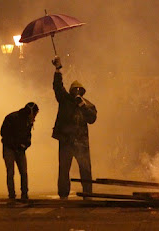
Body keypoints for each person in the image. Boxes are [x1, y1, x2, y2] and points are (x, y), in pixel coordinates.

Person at [52, 56, 97, 199]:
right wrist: (58, 70)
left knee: (85, 169)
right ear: (71, 91)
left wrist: (82, 106)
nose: (77, 92)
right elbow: (58, 87)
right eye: (75, 90)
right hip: (66, 140)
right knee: (64, 169)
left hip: (81, 142)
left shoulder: (87, 105)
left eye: (79, 90)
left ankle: (87, 194)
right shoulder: (65, 100)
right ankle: (63, 194)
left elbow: (92, 119)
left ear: (83, 92)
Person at [0, 102, 39, 200]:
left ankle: (23, 194)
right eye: (34, 113)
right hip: (10, 148)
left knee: (22, 172)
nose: (35, 116)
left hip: (19, 149)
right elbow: (4, 133)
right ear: (30, 112)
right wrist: (19, 145)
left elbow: (28, 136)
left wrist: (25, 145)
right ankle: (13, 195)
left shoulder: (26, 121)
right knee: (12, 172)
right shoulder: (12, 118)